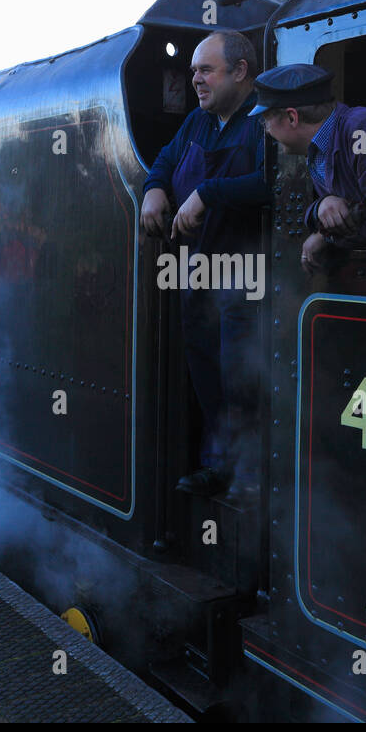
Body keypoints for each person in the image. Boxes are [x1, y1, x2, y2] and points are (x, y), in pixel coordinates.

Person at [140, 30, 267, 497]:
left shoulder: (263, 120)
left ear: (240, 71)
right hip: (198, 276)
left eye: (205, 70)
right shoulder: (196, 122)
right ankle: (219, 466)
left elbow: (275, 183)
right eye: (194, 70)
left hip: (248, 279)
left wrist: (208, 193)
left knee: (243, 378)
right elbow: (164, 161)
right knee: (208, 377)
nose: (195, 79)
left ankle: (253, 477)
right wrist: (154, 190)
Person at [252, 64, 366, 273]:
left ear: (291, 117)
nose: (266, 131)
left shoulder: (365, 130)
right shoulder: (318, 150)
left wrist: (326, 236)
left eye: (266, 120)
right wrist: (319, 207)